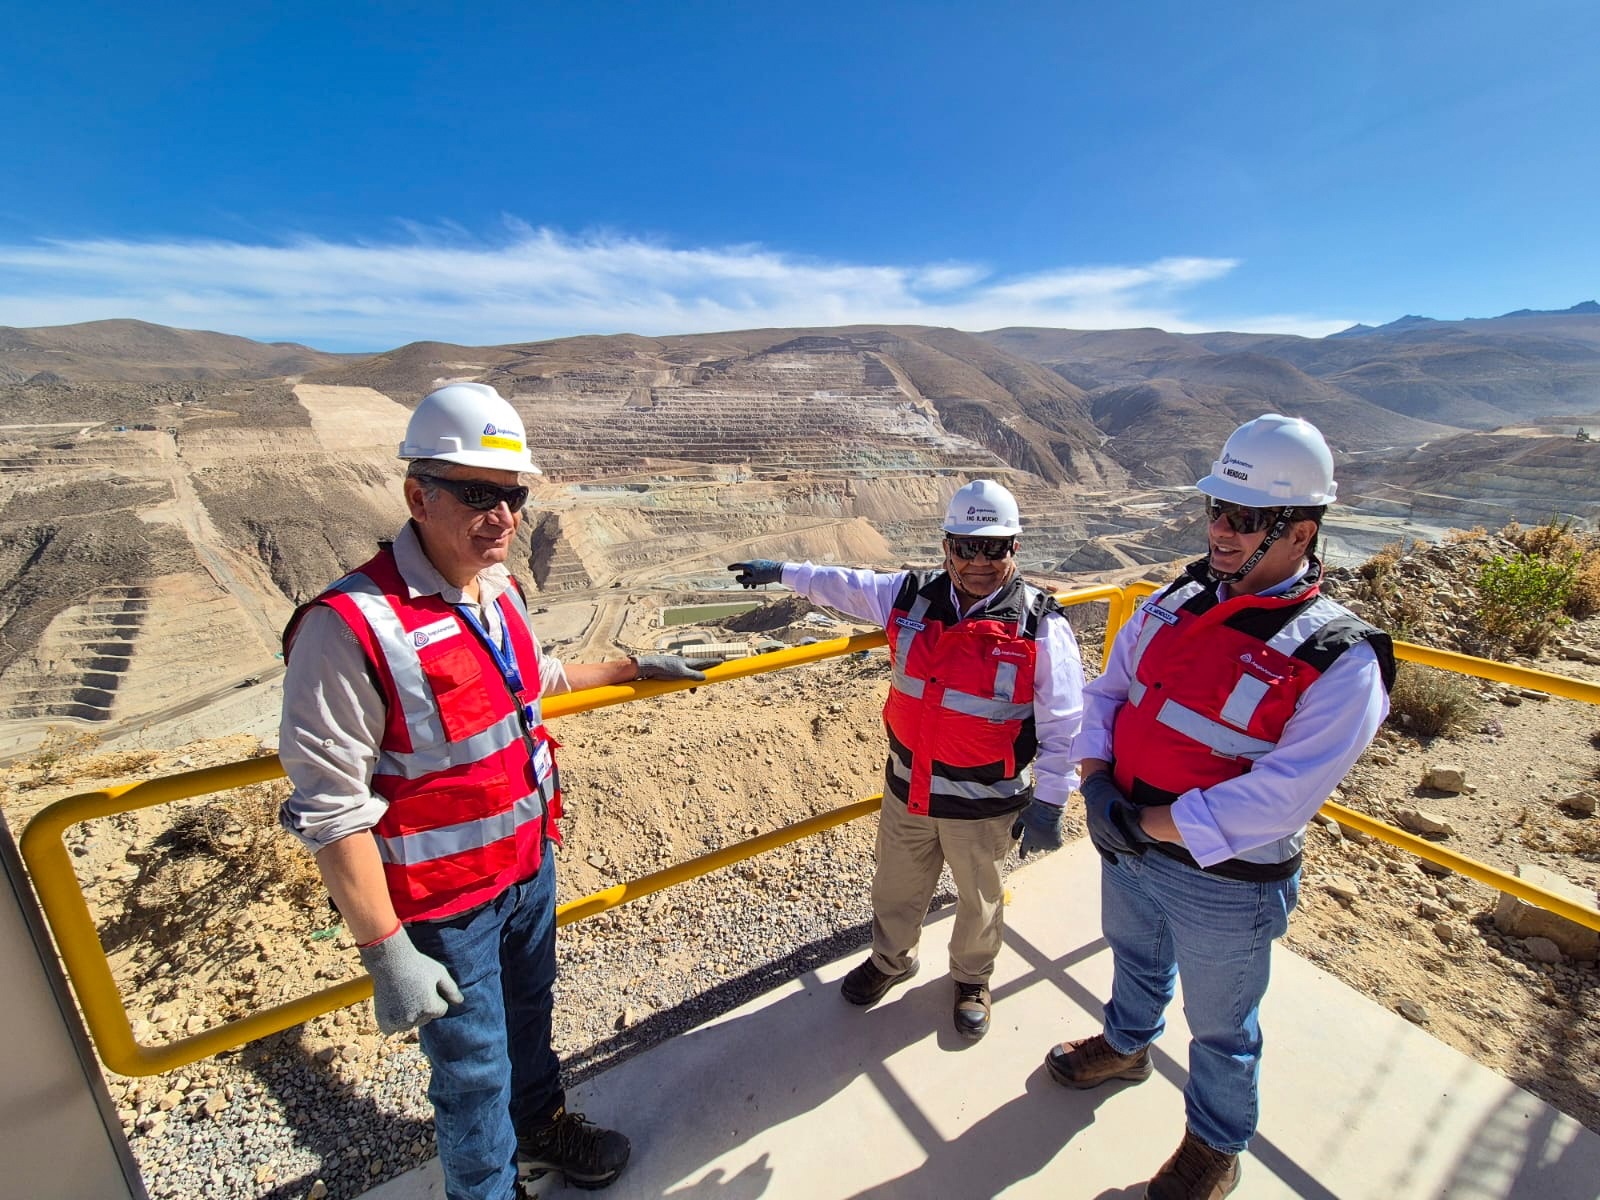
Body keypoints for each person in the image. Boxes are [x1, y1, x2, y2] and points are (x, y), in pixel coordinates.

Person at [278, 382, 707, 1200]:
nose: (503, 516)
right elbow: (329, 807)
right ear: (417, 495)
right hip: (445, 909)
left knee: (529, 1029)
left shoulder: (495, 589)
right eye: (479, 495)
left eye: (512, 496)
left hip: (523, 871)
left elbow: (531, 681)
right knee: (472, 1077)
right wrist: (384, 951)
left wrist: (626, 668)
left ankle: (541, 1129)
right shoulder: (348, 628)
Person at [1044, 414, 1395, 1200]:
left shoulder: (1340, 658)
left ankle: (1215, 1145)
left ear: (1300, 532)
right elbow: (1109, 692)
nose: (1220, 532)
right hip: (1129, 838)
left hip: (1225, 881)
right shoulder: (1178, 595)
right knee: (1133, 958)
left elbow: (1279, 798)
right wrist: (1097, 782)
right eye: (1215, 512)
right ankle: (1128, 1046)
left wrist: (1143, 822)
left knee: (1224, 1028)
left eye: (1242, 520)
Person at [729, 479, 1084, 1041]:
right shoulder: (909, 595)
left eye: (995, 547)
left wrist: (1052, 801)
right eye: (968, 547)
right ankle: (891, 960)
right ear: (947, 546)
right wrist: (783, 573)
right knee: (895, 887)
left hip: (985, 803)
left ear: (1015, 548)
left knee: (980, 899)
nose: (981, 561)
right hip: (909, 787)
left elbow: (1065, 722)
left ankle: (971, 979)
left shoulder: (1041, 624)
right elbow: (843, 584)